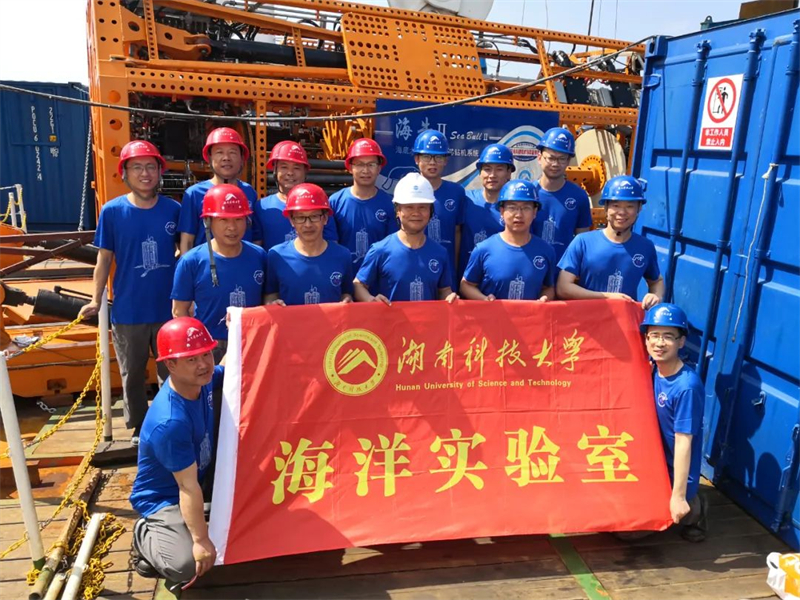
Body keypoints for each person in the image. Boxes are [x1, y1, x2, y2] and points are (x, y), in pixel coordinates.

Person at [78, 140, 179, 444]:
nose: (144, 173)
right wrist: (95, 299)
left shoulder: (173, 210)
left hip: (168, 309)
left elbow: (186, 253)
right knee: (132, 372)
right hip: (129, 309)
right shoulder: (112, 212)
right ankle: (138, 426)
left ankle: (171, 422)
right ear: (125, 173)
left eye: (150, 167)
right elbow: (104, 259)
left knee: (172, 371)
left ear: (159, 171)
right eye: (137, 167)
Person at [130, 317, 221, 591]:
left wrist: (245, 326)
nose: (203, 364)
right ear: (170, 365)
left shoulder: (203, 381)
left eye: (206, 354)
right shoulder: (170, 421)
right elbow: (187, 487)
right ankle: (144, 534)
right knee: (186, 565)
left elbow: (233, 366)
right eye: (191, 359)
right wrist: (201, 541)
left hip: (195, 478)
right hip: (165, 497)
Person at [171, 184, 268, 359]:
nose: (232, 227)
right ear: (208, 222)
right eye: (223, 220)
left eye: (238, 219)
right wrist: (197, 351)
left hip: (251, 343)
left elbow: (267, 299)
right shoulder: (191, 261)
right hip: (209, 347)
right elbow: (179, 311)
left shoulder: (259, 256)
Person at [641, 303, 707, 542]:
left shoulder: (686, 387)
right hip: (653, 461)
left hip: (673, 470)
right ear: (646, 339)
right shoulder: (652, 370)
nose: (660, 343)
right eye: (654, 335)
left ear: (681, 342)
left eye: (668, 336)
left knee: (629, 533)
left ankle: (694, 507)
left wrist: (678, 496)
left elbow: (683, 442)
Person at [557, 175, 663, 309]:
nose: (622, 212)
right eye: (616, 205)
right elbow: (563, 288)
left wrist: (656, 296)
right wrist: (607, 297)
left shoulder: (645, 247)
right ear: (606, 207)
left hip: (626, 320)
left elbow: (656, 281)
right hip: (586, 319)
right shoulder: (583, 242)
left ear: (639, 208)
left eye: (630, 206)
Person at [354, 173, 456, 304]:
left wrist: (450, 297)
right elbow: (358, 285)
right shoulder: (380, 250)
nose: (416, 213)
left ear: (430, 211)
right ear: (398, 210)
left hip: (429, 318)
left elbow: (444, 290)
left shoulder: (440, 252)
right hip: (390, 318)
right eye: (409, 207)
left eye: (422, 207)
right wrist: (370, 300)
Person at [461, 179, 556, 301]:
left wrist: (544, 298)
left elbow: (548, 287)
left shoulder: (546, 250)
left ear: (535, 212)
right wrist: (484, 299)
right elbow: (466, 285)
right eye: (512, 208)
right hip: (493, 314)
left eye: (526, 208)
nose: (519, 215)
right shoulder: (484, 249)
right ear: (502, 211)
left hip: (530, 314)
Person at [266, 184, 354, 305]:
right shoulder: (276, 256)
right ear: (291, 220)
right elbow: (270, 294)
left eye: (314, 216)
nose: (308, 225)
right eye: (300, 217)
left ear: (325, 218)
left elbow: (346, 292)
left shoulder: (343, 255)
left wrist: (347, 300)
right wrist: (272, 303)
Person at [178, 127, 260, 254]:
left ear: (241, 158)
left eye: (232, 152)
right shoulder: (194, 194)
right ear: (209, 158)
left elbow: (255, 237)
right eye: (219, 152)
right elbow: (187, 241)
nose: (226, 158)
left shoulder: (249, 192)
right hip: (207, 264)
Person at [324, 138, 397, 272]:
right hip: (344, 276)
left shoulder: (389, 204)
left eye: (371, 164)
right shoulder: (335, 202)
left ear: (379, 168)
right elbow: (330, 245)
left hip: (378, 277)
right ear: (350, 167)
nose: (365, 170)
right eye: (359, 164)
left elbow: (391, 247)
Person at [412, 129, 467, 283]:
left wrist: (454, 269)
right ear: (417, 159)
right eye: (426, 157)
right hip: (416, 269)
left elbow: (457, 233)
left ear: (446, 160)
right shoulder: (408, 190)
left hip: (446, 272)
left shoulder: (456, 192)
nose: (432, 162)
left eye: (438, 157)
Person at [532, 127, 592, 262]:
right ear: (539, 158)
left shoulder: (579, 196)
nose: (555, 164)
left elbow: (582, 240)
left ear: (568, 161)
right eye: (551, 158)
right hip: (531, 268)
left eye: (562, 159)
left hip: (564, 269)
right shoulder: (529, 193)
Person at [459, 143, 515, 281]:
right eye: (487, 169)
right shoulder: (466, 200)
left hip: (500, 283)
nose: (492, 175)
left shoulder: (516, 208)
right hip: (467, 281)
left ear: (509, 173)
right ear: (480, 172)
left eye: (499, 169)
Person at [253, 141, 310, 250]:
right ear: (275, 171)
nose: (290, 173)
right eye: (284, 167)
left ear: (305, 172)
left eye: (296, 168)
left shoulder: (319, 206)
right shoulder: (262, 207)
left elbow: (329, 247)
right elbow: (256, 248)